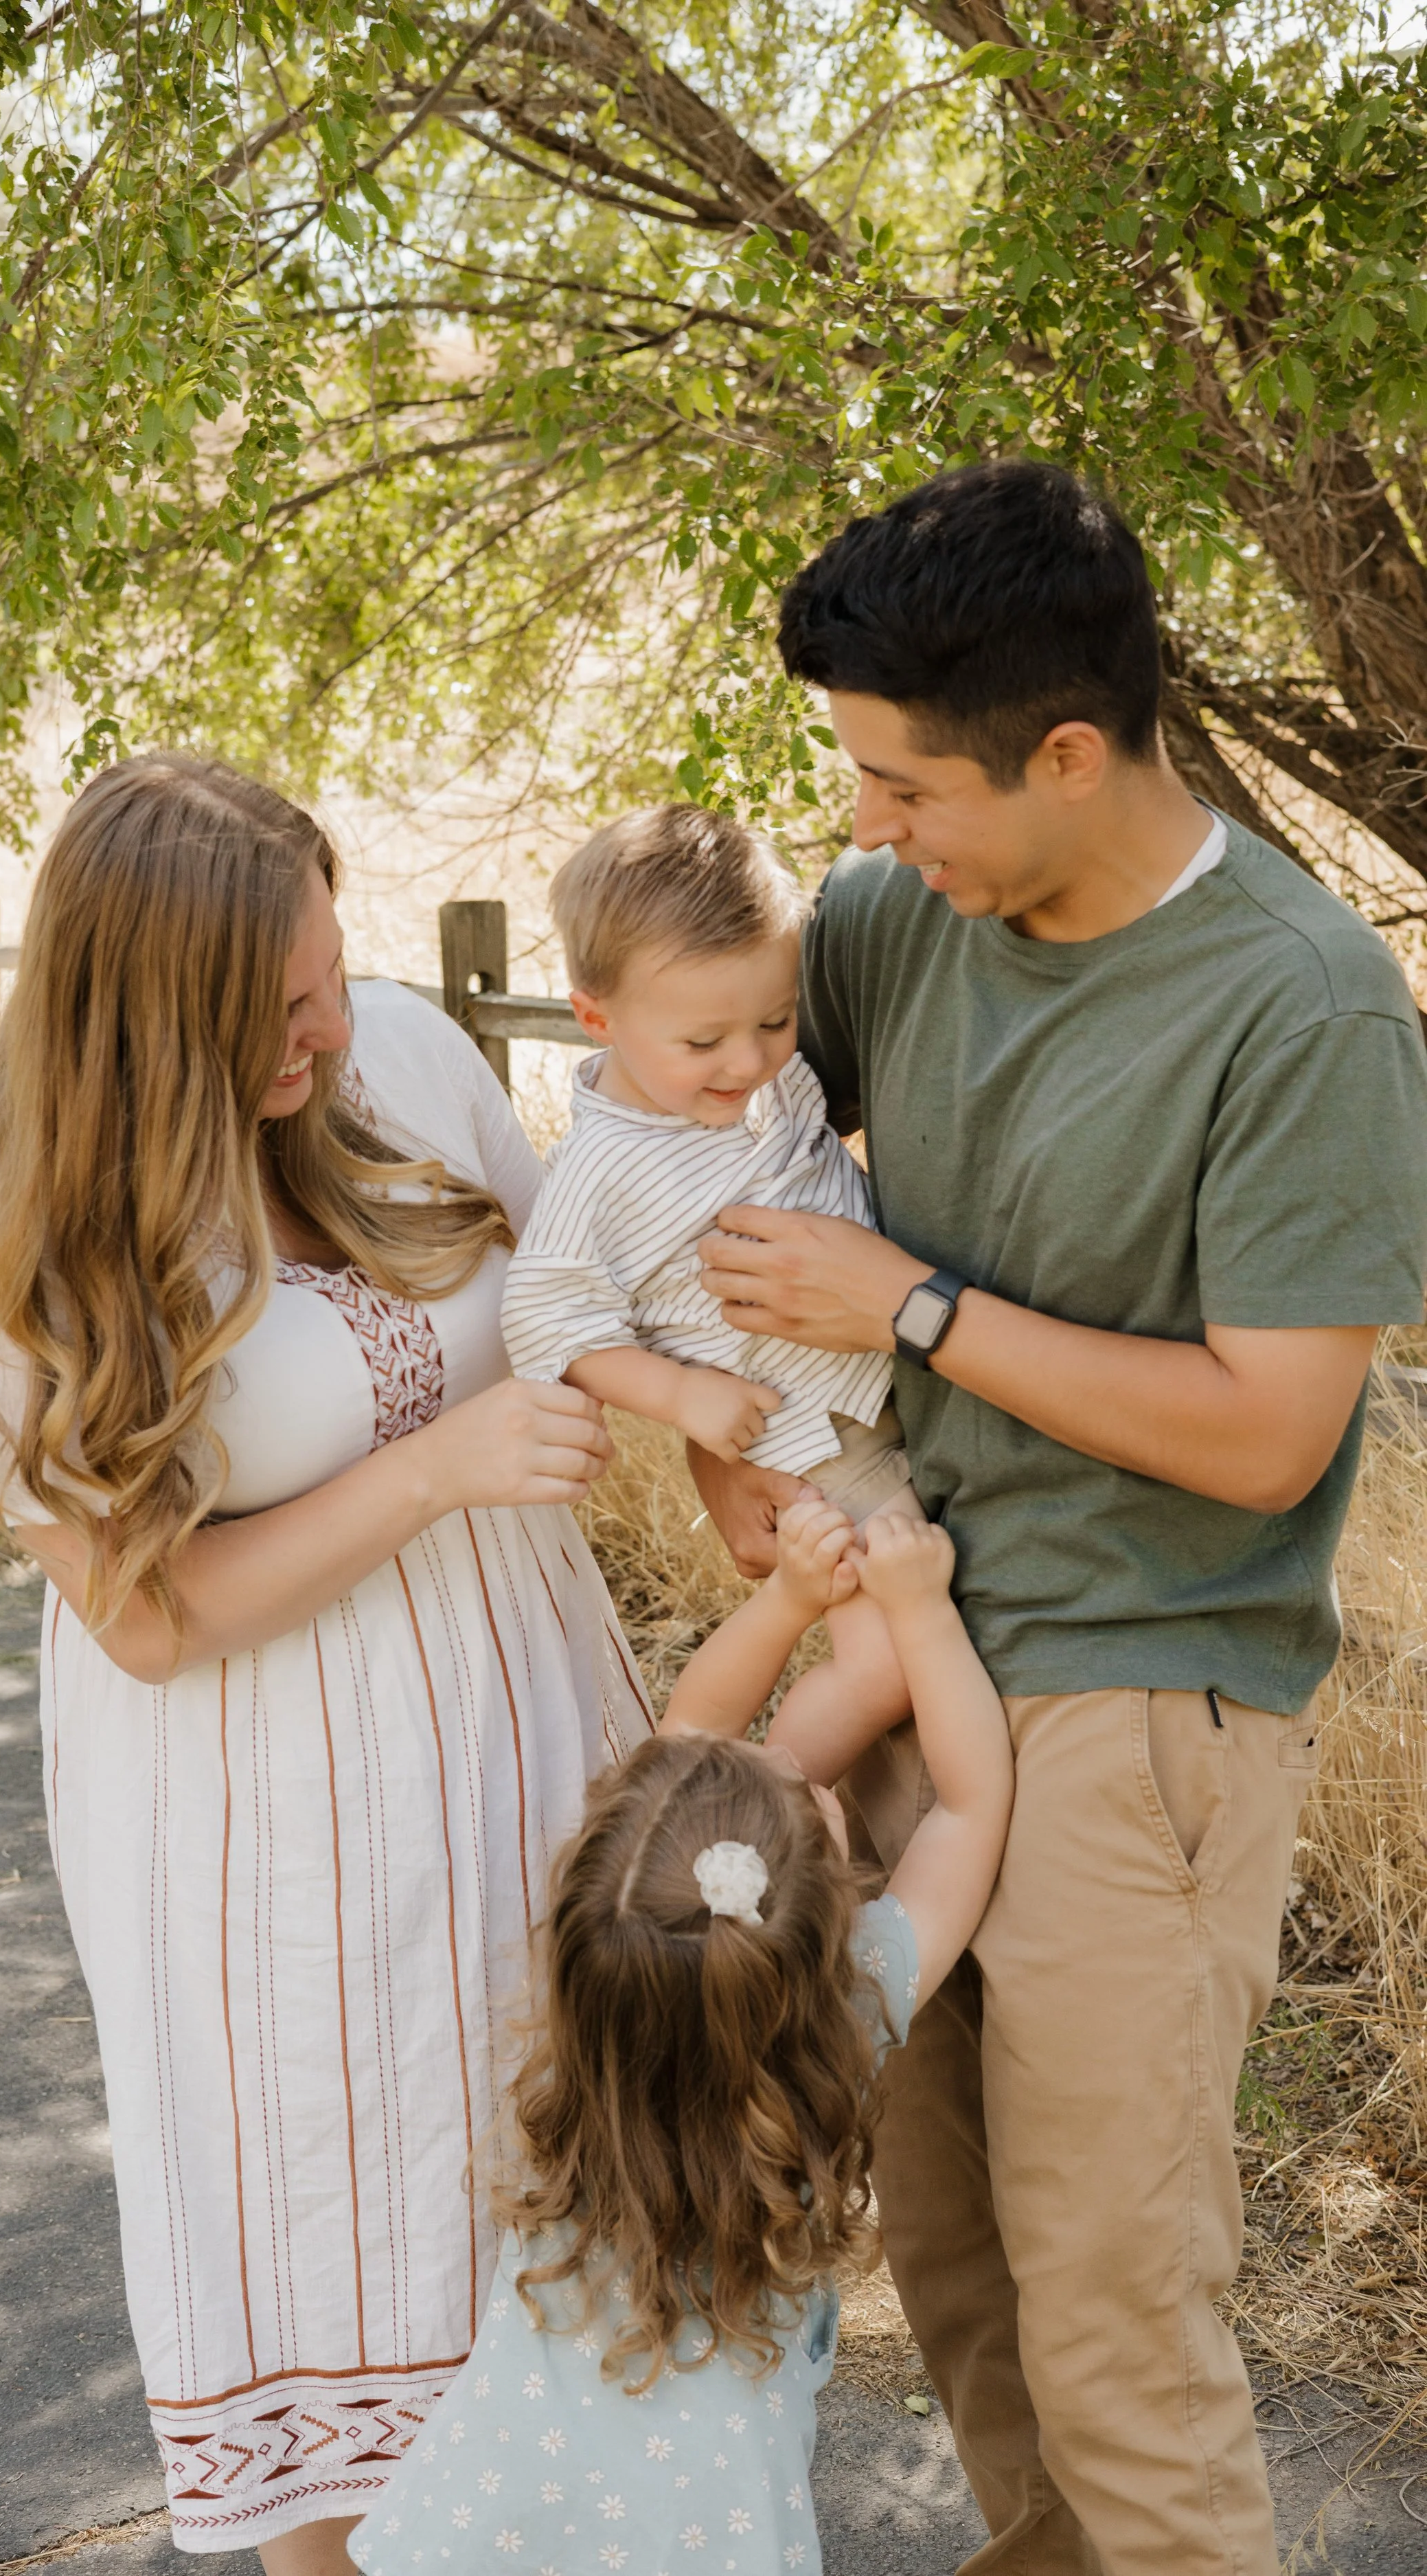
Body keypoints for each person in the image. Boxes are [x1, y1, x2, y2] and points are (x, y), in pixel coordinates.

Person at [687, 460, 1427, 2576]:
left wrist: (914, 1306)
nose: (859, 825)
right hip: (889, 1657)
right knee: (958, 2281)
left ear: (1072, 753)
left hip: (1137, 1693)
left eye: (900, 784)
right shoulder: (885, 925)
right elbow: (700, 1171)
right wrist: (715, 1438)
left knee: (1116, 2309)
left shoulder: (1296, 1004)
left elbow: (1266, 1433)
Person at [0, 754, 654, 2570]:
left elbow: (571, 1301)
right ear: (151, 1017)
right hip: (266, 1828)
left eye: (328, 967)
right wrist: (434, 1468)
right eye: (278, 1007)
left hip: (531, 1734)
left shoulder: (395, 1047)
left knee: (572, 2261)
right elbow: (144, 1619)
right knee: (344, 2281)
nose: (332, 1022)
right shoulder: (23, 1227)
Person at [347, 1501, 1014, 2576]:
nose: (796, 1761)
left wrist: (788, 1598)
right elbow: (969, 1811)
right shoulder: (846, 2013)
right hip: (713, 2525)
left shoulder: (591, 2017)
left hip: (510, 2517)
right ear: (821, 1909)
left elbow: (684, 1741)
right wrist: (925, 1614)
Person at [502, 804, 924, 1786]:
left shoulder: (744, 1078)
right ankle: (745, 1796)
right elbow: (543, 1319)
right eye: (705, 1042)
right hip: (816, 1441)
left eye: (775, 1021)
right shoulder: (600, 1169)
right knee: (890, 1661)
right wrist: (685, 1400)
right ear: (597, 1017)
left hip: (891, 1388)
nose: (748, 1061)